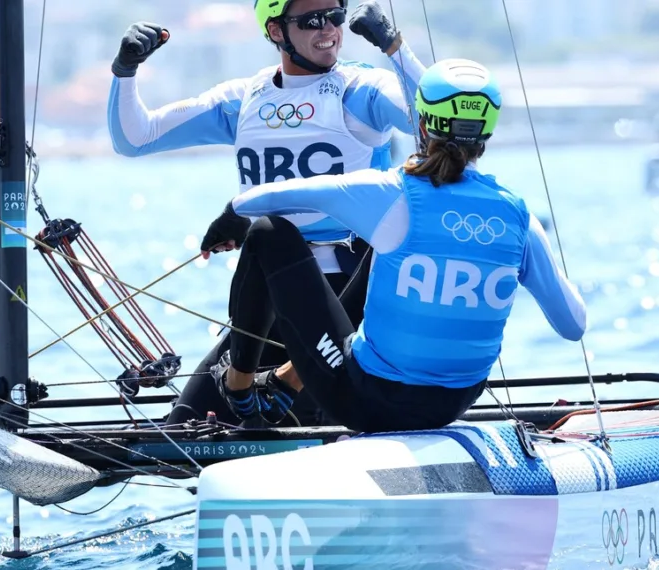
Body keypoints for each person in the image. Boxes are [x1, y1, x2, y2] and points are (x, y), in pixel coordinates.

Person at [197, 58, 588, 433]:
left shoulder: (389, 192)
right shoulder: (520, 216)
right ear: (488, 132)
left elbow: (266, 200)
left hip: (366, 402)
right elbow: (573, 326)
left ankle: (239, 387)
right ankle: (284, 384)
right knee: (389, 250)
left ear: (421, 123)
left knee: (268, 232)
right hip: (454, 404)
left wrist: (234, 212)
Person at [107, 0, 430, 427]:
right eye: (312, 20)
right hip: (265, 298)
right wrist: (125, 70)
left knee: (295, 428)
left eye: (335, 17)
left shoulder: (362, 90)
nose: (328, 29)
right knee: (181, 428)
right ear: (276, 31)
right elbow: (135, 137)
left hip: (345, 298)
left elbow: (434, 122)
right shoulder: (244, 98)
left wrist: (394, 47)